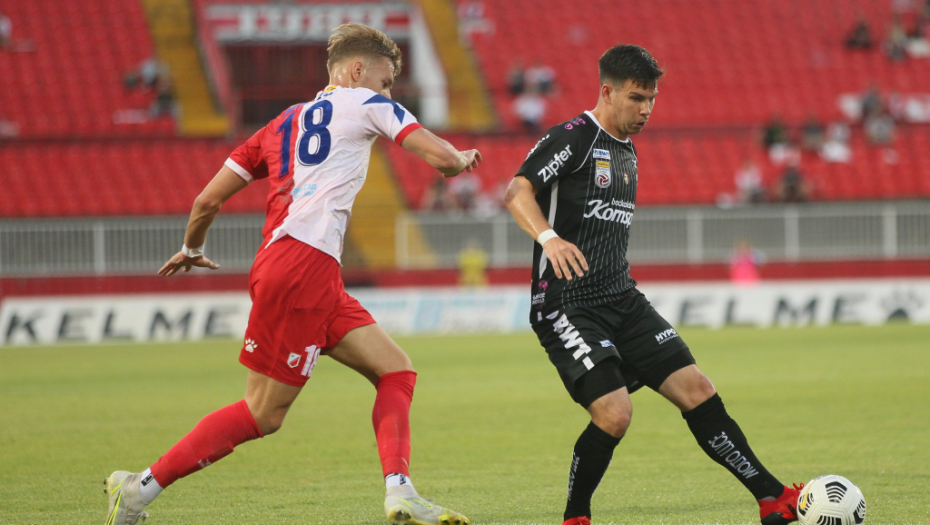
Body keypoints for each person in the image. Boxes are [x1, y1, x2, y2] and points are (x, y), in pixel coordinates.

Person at [103, 23, 480, 525]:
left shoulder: (282, 122)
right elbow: (442, 159)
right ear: (357, 70)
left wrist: (192, 247)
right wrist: (462, 159)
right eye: (386, 81)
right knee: (262, 413)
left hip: (303, 269)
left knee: (395, 370)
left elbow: (206, 200)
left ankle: (401, 491)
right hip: (304, 265)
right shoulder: (370, 103)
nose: (390, 92)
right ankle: (137, 491)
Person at [503, 44, 803, 525]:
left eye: (652, 99)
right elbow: (516, 190)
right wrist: (549, 238)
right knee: (615, 415)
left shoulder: (628, 152)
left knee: (697, 389)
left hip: (622, 299)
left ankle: (771, 498)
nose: (645, 109)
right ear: (607, 91)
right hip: (567, 304)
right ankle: (575, 517)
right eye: (637, 97)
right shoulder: (573, 138)